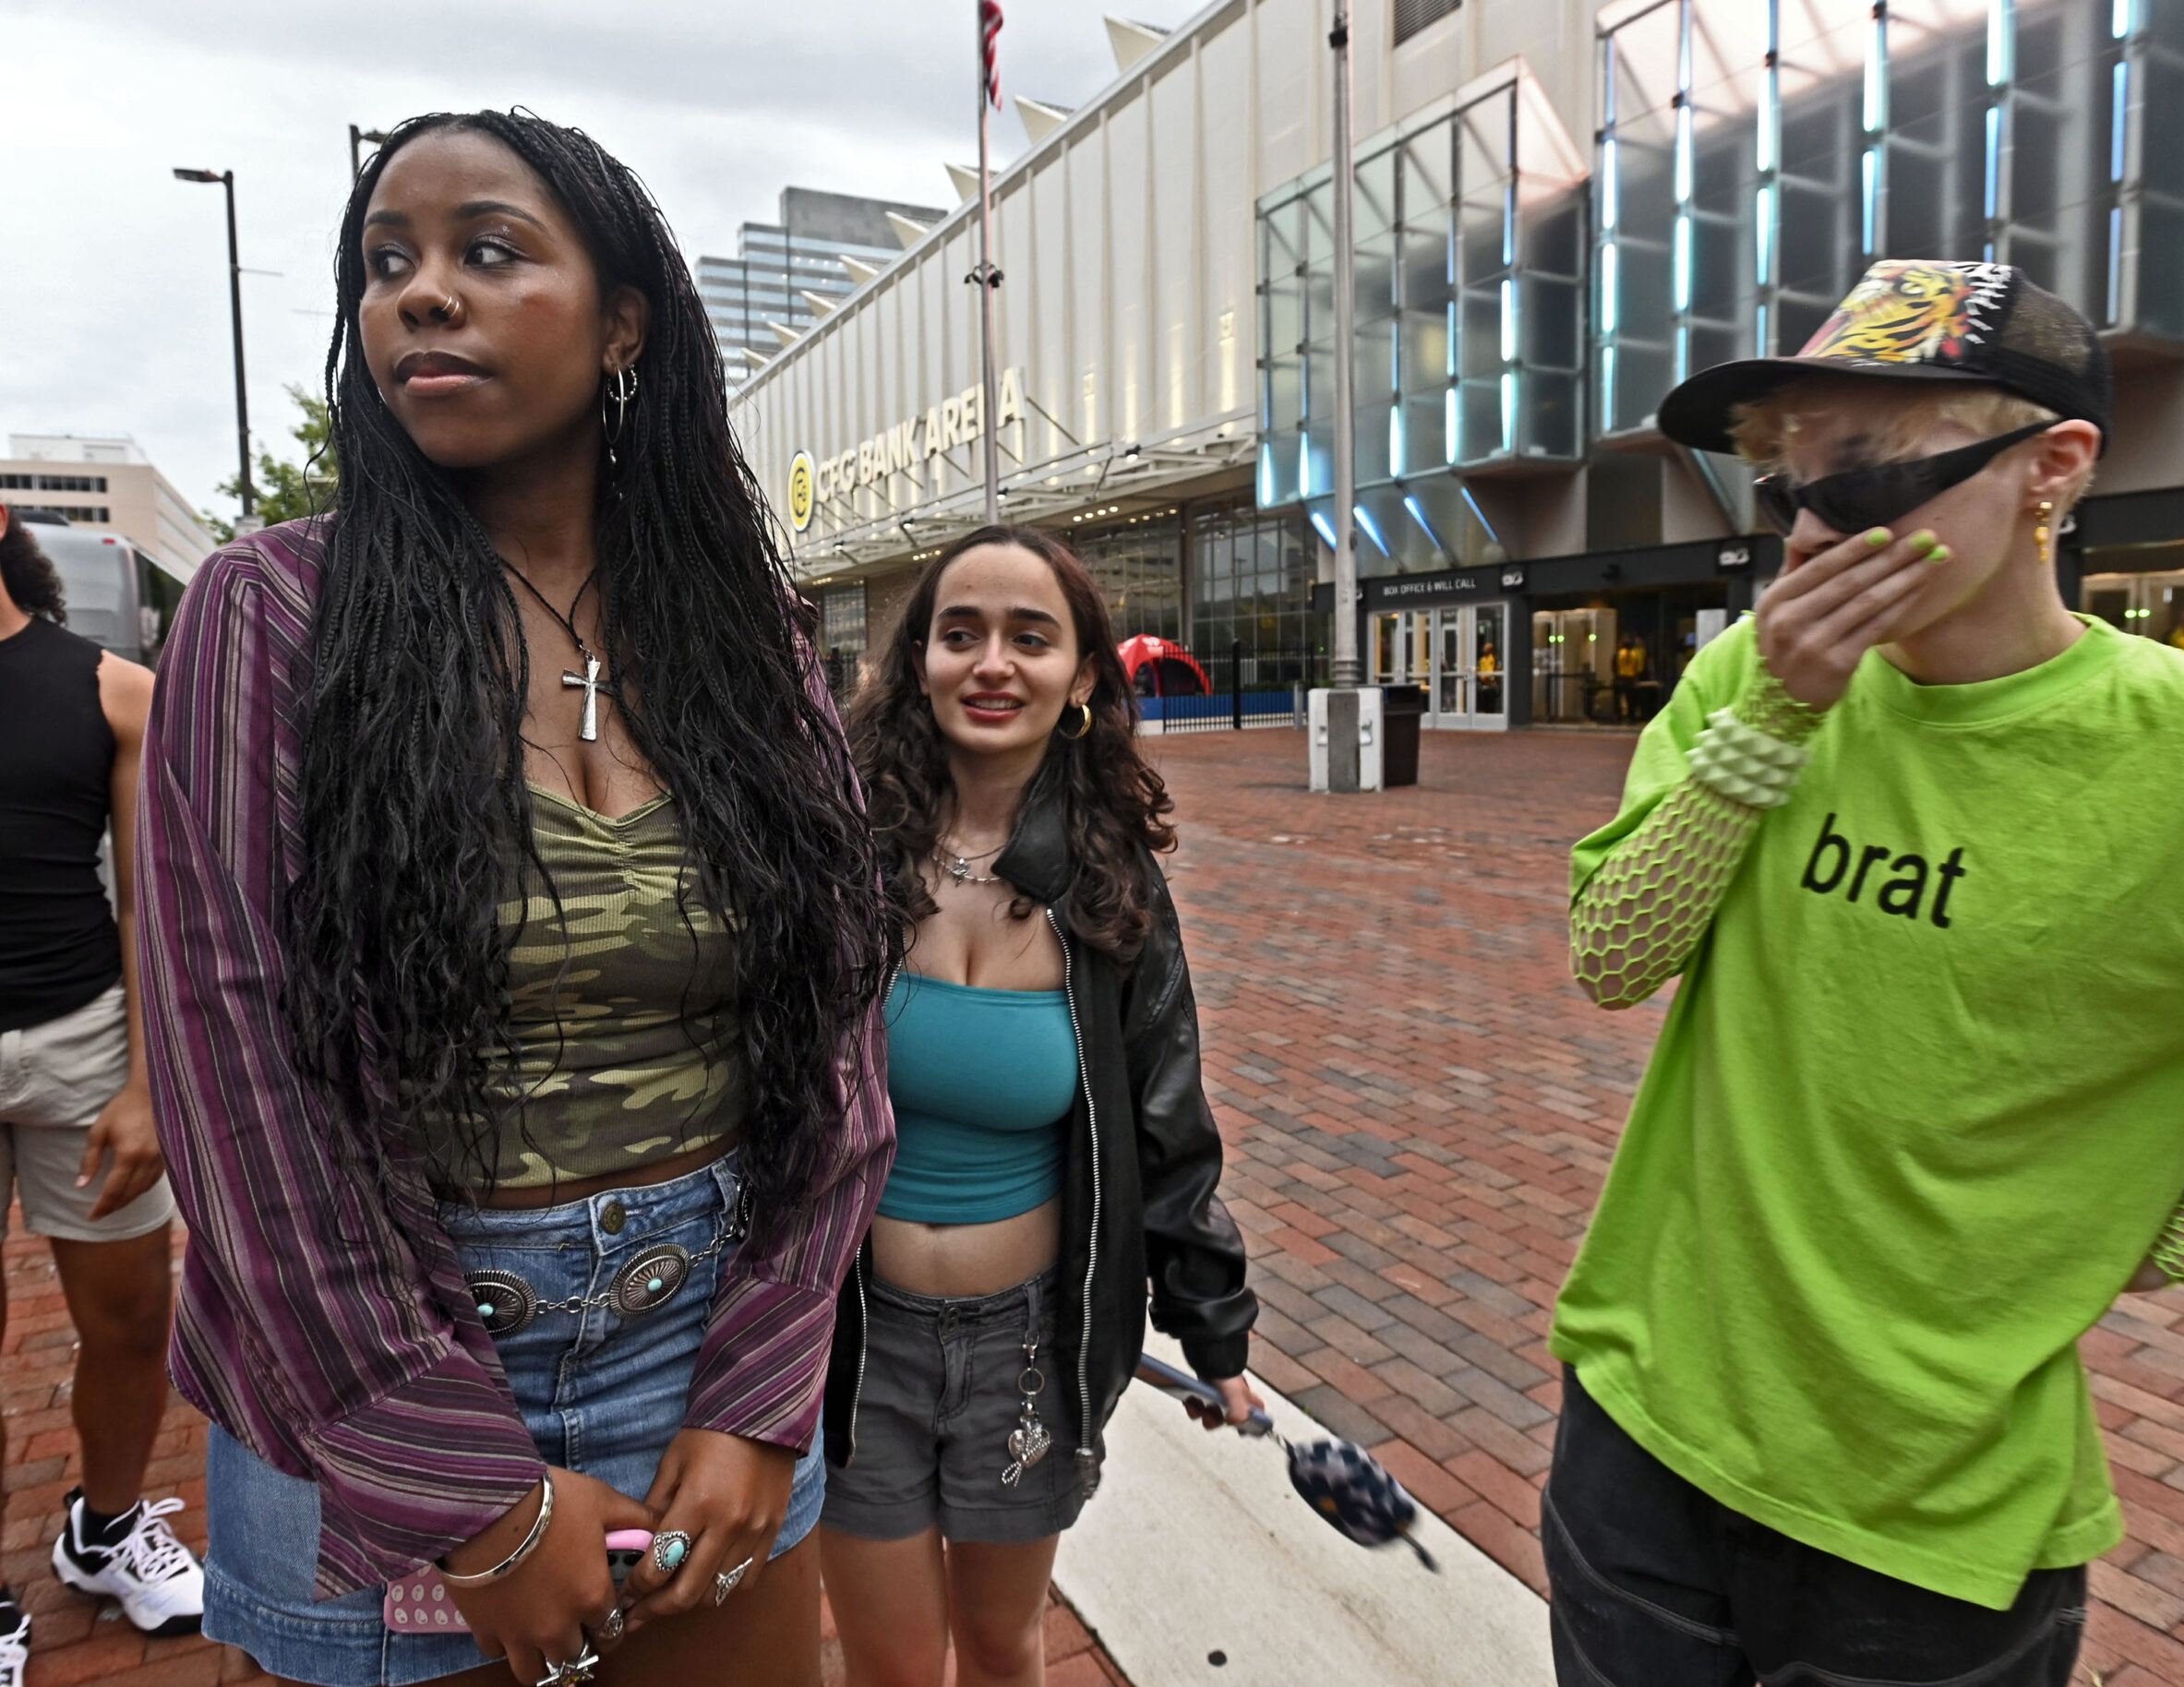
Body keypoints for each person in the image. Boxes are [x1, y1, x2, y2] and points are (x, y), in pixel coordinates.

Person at [136, 112, 896, 1687]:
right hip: (379, 1361)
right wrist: (472, 1495)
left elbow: (834, 1031)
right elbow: (243, 1092)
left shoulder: (745, 636)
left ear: (624, 320)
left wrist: (761, 1388)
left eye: (487, 250)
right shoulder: (272, 613)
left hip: (705, 1331)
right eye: (385, 263)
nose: (421, 292)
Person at [1545, 259, 2184, 1687]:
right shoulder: (1752, 677)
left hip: (1931, 1514)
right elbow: (1616, 955)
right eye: (1786, 483)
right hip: (1642, 1419)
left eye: (1862, 479)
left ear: (2053, 469)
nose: (1808, 530)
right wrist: (1776, 723)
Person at [822, 526, 1260, 1687]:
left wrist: (1215, 1331)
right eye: (959, 633)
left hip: (1029, 1347)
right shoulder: (841, 859)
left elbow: (1170, 1119)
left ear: (1078, 678)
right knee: (894, 1667)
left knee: (1006, 1649)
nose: (991, 663)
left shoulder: (1112, 883)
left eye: (1031, 636)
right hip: (851, 1343)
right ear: (918, 660)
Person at [0, 505, 203, 1676]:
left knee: (130, 1323)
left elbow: (157, 910)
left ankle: (109, 1526)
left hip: (81, 1042)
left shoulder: (113, 689)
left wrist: (146, 1083)